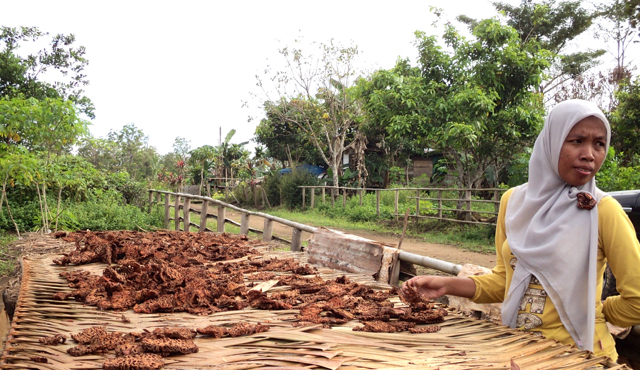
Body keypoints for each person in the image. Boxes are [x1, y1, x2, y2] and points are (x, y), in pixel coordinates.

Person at [401, 99, 640, 361]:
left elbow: (637, 299)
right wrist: (446, 284)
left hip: (580, 358)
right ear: (550, 142)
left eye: (599, 143)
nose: (589, 154)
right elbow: (505, 281)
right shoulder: (513, 203)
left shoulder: (603, 211)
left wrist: (596, 311)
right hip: (519, 352)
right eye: (576, 140)